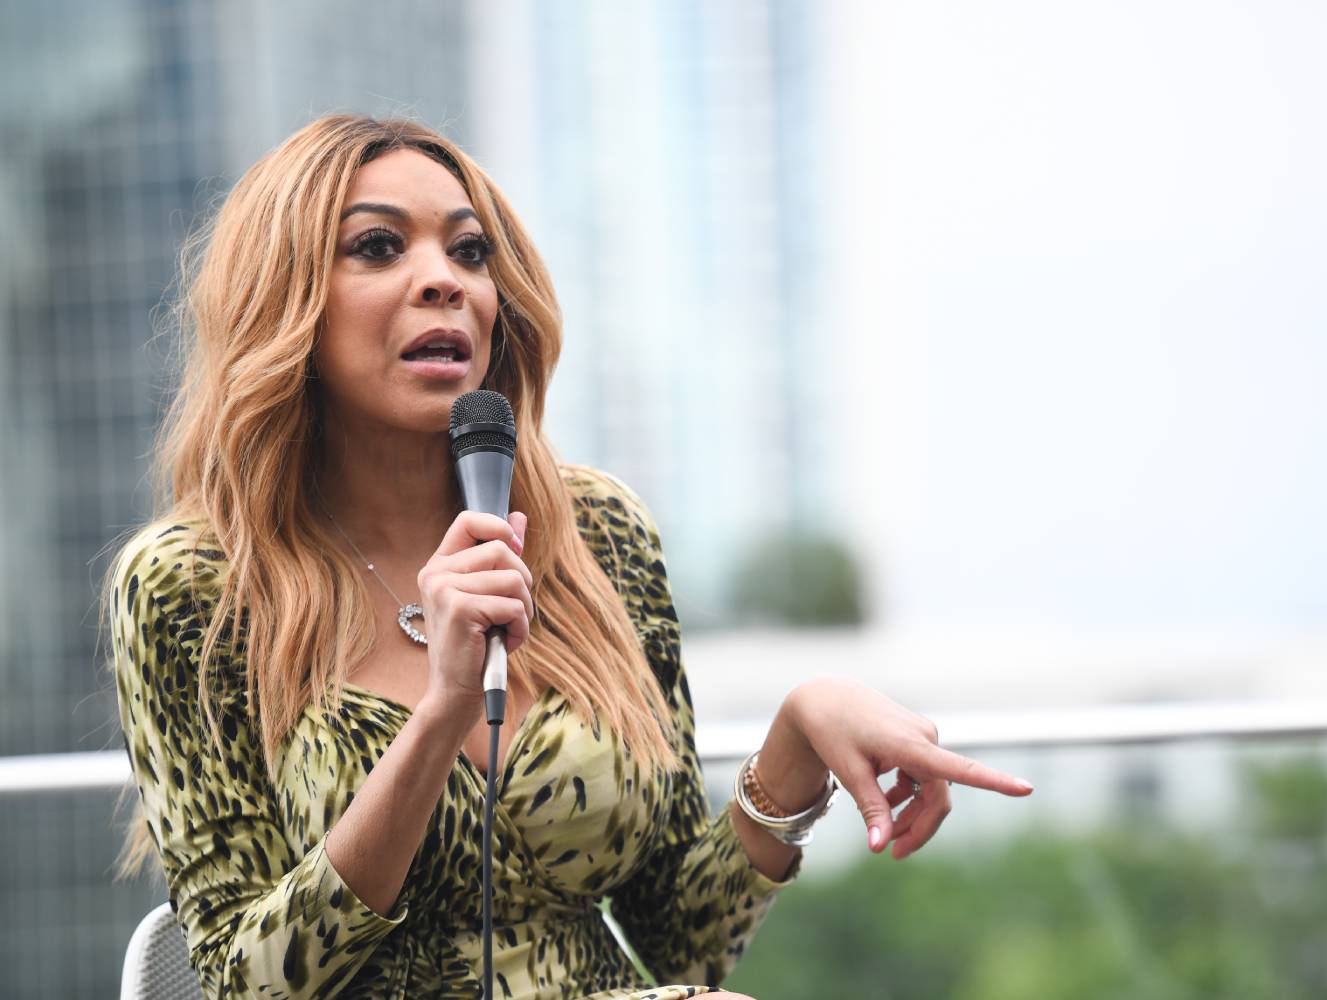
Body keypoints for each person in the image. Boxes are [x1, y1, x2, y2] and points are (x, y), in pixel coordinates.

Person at [107, 115, 1034, 999]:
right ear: (285, 300)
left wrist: (797, 739)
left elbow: (684, 941)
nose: (444, 281)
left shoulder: (597, 535)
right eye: (379, 247)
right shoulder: (191, 585)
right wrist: (443, 713)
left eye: (470, 251)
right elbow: (246, 982)